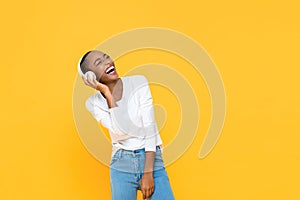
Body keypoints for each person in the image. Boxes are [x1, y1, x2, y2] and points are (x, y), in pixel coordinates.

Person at [78, 50, 175, 200]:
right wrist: (107, 93)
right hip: (121, 163)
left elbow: (150, 128)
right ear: (91, 77)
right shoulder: (93, 103)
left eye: (106, 57)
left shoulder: (139, 82)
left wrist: (148, 173)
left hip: (150, 157)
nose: (107, 62)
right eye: (99, 63)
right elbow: (120, 130)